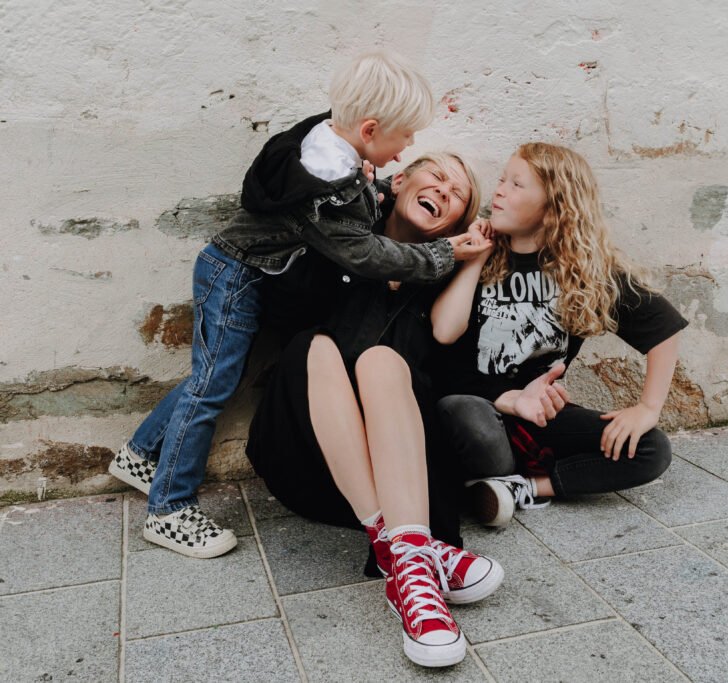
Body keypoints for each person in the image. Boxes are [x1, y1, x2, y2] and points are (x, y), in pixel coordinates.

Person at [107, 51, 488, 558]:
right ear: (370, 130)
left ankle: (140, 454)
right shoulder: (326, 186)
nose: (409, 148)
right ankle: (169, 508)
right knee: (212, 383)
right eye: (405, 137)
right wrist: (442, 252)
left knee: (221, 374)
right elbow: (362, 250)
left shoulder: (331, 151)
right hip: (238, 273)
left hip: (247, 270)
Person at [246, 152, 503, 668]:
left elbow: (448, 337)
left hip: (398, 482)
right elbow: (276, 305)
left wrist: (468, 260)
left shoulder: (435, 281)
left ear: (454, 225)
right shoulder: (341, 236)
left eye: (458, 195)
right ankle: (422, 553)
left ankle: (404, 560)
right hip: (305, 454)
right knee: (312, 347)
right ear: (401, 180)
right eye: (438, 176)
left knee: (385, 362)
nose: (446, 191)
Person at [430, 142, 688, 527]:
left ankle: (524, 488)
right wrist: (476, 257)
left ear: (554, 208)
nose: (499, 190)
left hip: (539, 419)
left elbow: (663, 328)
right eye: (502, 180)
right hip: (478, 409)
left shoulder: (584, 272)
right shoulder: (476, 249)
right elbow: (443, 336)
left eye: (517, 184)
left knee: (652, 448)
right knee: (464, 411)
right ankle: (488, 481)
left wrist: (647, 409)